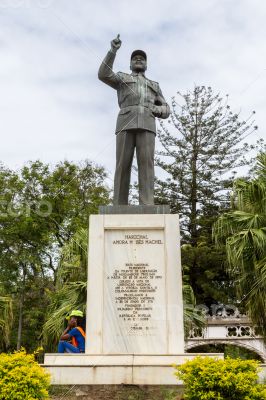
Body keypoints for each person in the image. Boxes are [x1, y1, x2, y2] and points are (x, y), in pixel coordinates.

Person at [98, 34, 170, 205]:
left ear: (146, 64)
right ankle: (119, 203)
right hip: (126, 122)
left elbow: (166, 109)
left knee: (147, 165)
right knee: (122, 164)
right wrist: (112, 51)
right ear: (130, 64)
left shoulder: (154, 85)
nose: (139, 60)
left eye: (142, 59)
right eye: (135, 59)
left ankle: (147, 204)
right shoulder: (122, 78)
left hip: (147, 123)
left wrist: (157, 109)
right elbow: (103, 74)